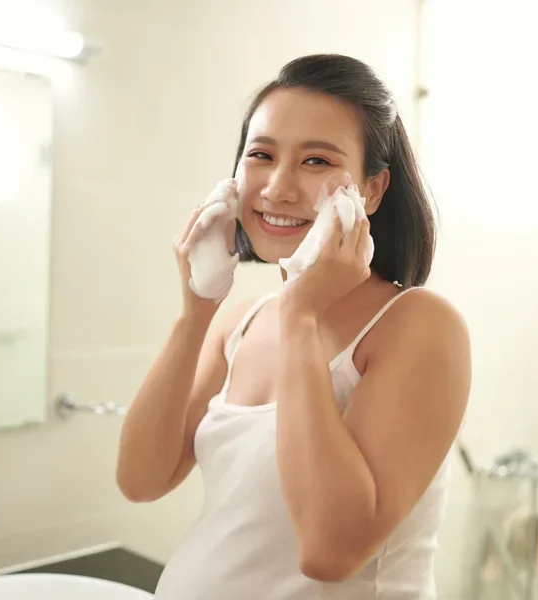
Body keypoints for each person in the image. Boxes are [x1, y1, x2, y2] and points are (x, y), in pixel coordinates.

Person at [116, 54, 472, 599]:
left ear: (372, 191)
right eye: (261, 155)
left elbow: (330, 551)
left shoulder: (418, 326)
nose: (278, 189)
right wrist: (196, 312)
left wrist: (303, 314)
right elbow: (141, 479)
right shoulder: (239, 320)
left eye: (316, 162)